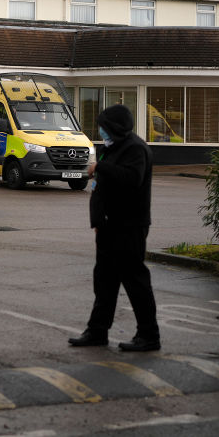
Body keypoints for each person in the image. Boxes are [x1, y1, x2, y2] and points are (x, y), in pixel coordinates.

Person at [68, 104, 160, 352]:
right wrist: (97, 221)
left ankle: (149, 335)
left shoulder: (135, 149)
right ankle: (97, 331)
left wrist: (100, 167)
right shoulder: (109, 148)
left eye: (104, 126)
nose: (101, 130)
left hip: (130, 226)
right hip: (108, 226)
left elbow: (132, 179)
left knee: (135, 281)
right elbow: (101, 188)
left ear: (115, 128)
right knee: (105, 282)